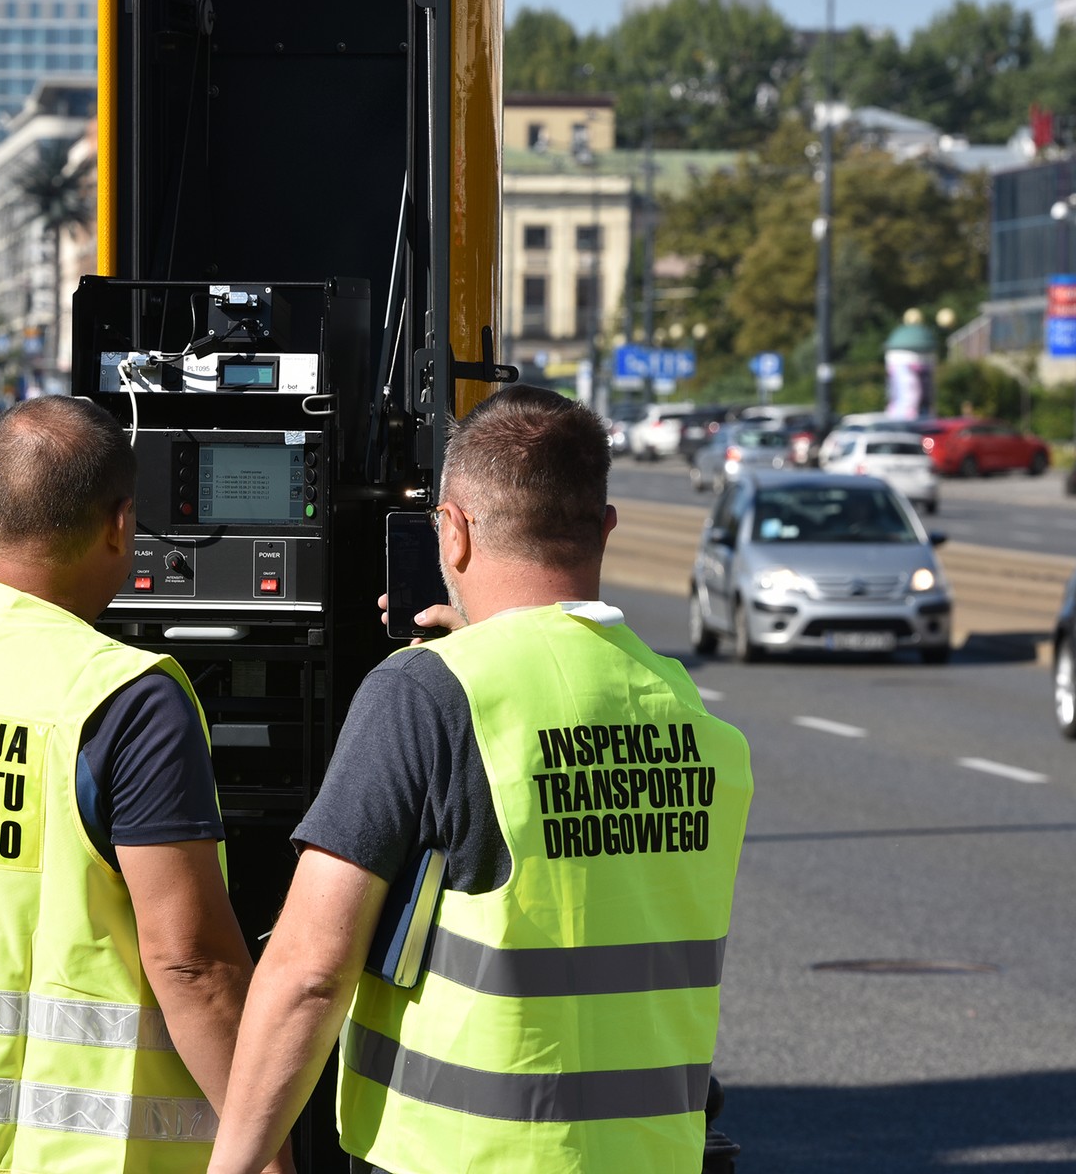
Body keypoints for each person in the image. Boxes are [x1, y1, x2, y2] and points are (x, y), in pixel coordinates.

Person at [206, 386, 754, 1174]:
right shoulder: (683, 707)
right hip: (652, 1154)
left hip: (463, 1154)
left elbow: (308, 972)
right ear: (604, 528)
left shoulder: (424, 693)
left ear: (452, 532)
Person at [0, 395, 285, 1174]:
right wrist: (265, 1150)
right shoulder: (126, 696)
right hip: (85, 1149)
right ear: (122, 525)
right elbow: (188, 961)